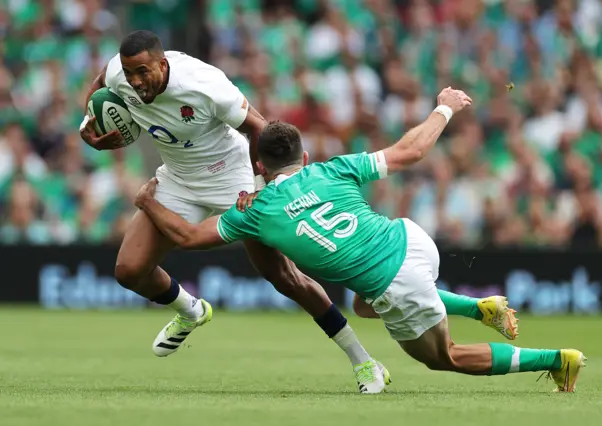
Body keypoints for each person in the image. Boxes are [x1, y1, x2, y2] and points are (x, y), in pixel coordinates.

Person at [134, 87, 586, 393]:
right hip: (411, 239)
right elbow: (410, 151)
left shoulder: (255, 211)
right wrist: (444, 106)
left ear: (259, 167)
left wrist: (147, 202)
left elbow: (189, 236)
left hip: (397, 281)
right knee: (363, 304)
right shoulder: (334, 167)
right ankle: (480, 307)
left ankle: (554, 359)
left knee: (442, 357)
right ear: (304, 156)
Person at [78, 30, 390, 393]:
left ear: (162, 65)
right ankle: (191, 310)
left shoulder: (205, 84)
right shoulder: (121, 73)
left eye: (143, 72)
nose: (134, 81)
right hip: (177, 180)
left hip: (232, 180)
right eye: (130, 74)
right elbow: (102, 82)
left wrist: (257, 190)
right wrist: (89, 125)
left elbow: (259, 127)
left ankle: (364, 361)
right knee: (129, 271)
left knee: (283, 277)